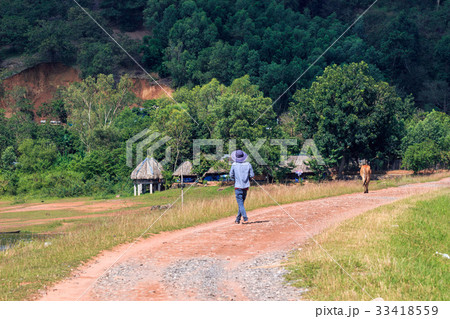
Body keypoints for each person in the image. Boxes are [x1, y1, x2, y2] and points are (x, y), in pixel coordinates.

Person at [229, 150, 254, 224]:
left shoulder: (234, 165)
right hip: (245, 186)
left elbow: (231, 175)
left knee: (240, 203)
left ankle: (245, 217)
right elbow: (252, 175)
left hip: (237, 186)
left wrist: (235, 179)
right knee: (241, 203)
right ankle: (237, 219)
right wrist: (248, 178)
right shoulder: (248, 164)